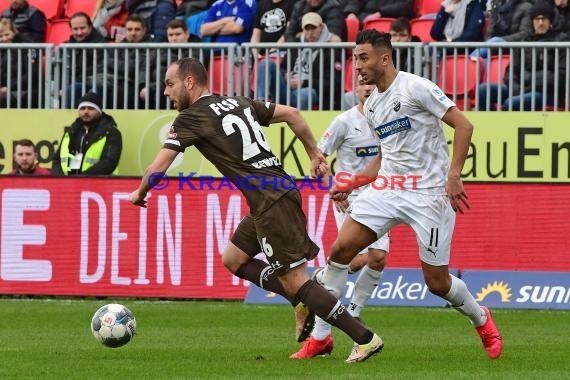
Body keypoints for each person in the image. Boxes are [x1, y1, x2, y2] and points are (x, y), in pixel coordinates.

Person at [128, 57, 383, 362]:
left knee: (297, 282)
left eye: (170, 84)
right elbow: (292, 114)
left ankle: (364, 338)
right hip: (275, 194)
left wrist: (140, 191)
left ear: (190, 82)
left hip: (270, 201)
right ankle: (300, 301)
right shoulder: (238, 102)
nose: (167, 92)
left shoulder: (190, 117)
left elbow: (158, 167)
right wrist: (314, 152)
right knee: (233, 258)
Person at [318, 29, 503, 361]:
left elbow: (464, 125)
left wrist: (454, 174)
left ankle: (481, 318)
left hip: (429, 196)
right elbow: (385, 157)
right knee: (340, 249)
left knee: (437, 283)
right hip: (388, 190)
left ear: (384, 58)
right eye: (355, 58)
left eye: (363, 57)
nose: (357, 66)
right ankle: (322, 335)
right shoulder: (372, 105)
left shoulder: (417, 88)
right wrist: (353, 182)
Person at [291, 76, 389, 359]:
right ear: (355, 90)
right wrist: (336, 189)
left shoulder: (390, 119)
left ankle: (339, 304)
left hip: (382, 199)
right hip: (351, 200)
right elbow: (319, 158)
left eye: (371, 83)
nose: (367, 87)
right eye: (362, 84)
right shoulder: (344, 122)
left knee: (377, 258)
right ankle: (321, 314)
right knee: (355, 260)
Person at [477, 1, 568, 110]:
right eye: (537, 19)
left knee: (512, 102)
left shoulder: (561, 42)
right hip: (522, 88)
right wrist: (516, 89)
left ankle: (505, 125)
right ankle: (490, 124)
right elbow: (510, 71)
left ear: (550, 22)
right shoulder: (525, 42)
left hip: (548, 92)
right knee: (483, 91)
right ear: (532, 22)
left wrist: (529, 81)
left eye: (543, 19)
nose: (540, 23)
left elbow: (561, 76)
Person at [255, 12, 343, 110]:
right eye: (307, 29)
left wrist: (303, 83)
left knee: (305, 94)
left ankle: (299, 124)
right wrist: (285, 74)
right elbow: (282, 68)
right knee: (266, 63)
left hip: (311, 91)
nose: (310, 33)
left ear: (321, 27)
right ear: (302, 29)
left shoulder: (331, 49)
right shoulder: (296, 45)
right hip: (287, 88)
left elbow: (334, 83)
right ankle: (260, 104)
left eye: (313, 28)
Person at [139, 18, 206, 108]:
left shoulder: (196, 50)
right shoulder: (160, 50)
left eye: (178, 34)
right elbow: (145, 67)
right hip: (155, 88)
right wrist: (143, 86)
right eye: (171, 35)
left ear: (187, 34)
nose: (174, 38)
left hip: (182, 90)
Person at [52, 92, 122, 176]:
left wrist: (83, 178)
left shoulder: (111, 132)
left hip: (101, 185)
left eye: (91, 108)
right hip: (71, 185)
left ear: (99, 111)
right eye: (82, 108)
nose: (86, 111)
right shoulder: (72, 131)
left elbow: (109, 162)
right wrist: (62, 179)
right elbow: (57, 160)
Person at [63, 12, 108, 109]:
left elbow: (100, 69)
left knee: (72, 89)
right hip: (73, 83)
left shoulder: (101, 45)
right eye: (75, 29)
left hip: (95, 83)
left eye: (82, 28)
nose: (79, 32)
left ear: (90, 27)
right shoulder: (65, 46)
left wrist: (75, 82)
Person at [0, 17, 39, 108]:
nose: (4, 39)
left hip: (28, 91)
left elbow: (32, 74)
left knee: (4, 97)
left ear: (14, 32)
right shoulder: (2, 49)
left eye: (7, 34)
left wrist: (9, 87)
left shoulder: (27, 46)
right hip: (8, 90)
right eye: (0, 36)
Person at [344, 0, 414, 28]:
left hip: (394, 21)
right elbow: (355, 2)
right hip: (365, 19)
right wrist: (351, 12)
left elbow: (405, 6)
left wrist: (380, 13)